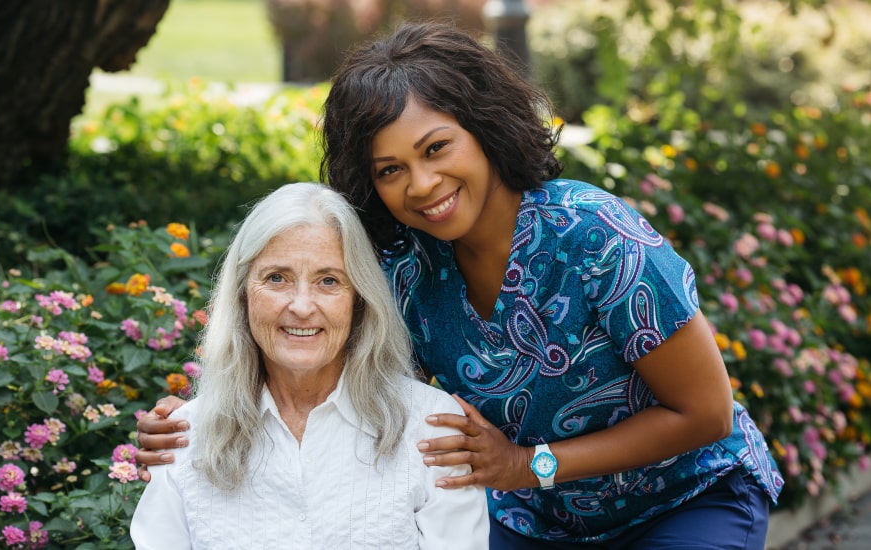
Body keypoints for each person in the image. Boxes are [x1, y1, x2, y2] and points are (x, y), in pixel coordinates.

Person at [136, 22, 784, 549]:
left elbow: (705, 414)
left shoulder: (595, 236)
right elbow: (322, 363)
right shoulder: (402, 268)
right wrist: (201, 419)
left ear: (484, 128)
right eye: (390, 169)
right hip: (533, 516)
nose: (420, 184)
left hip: (684, 498)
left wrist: (528, 465)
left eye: (436, 148)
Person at [129, 182, 489, 549]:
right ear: (242, 296)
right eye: (276, 278)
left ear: (358, 300)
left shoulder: (431, 430)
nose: (301, 306)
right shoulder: (183, 438)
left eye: (328, 280)